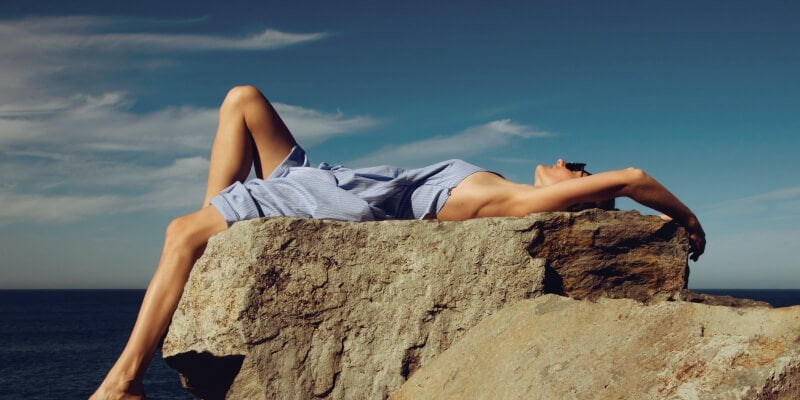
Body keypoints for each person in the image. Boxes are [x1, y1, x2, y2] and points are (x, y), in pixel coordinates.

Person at [90, 85, 706, 399]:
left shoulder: (515, 202)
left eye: (577, 169)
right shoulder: (506, 187)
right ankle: (219, 220)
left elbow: (632, 178)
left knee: (181, 232)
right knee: (243, 98)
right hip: (326, 175)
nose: (565, 161)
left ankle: (122, 381)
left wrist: (688, 222)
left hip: (345, 202)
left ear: (584, 195)